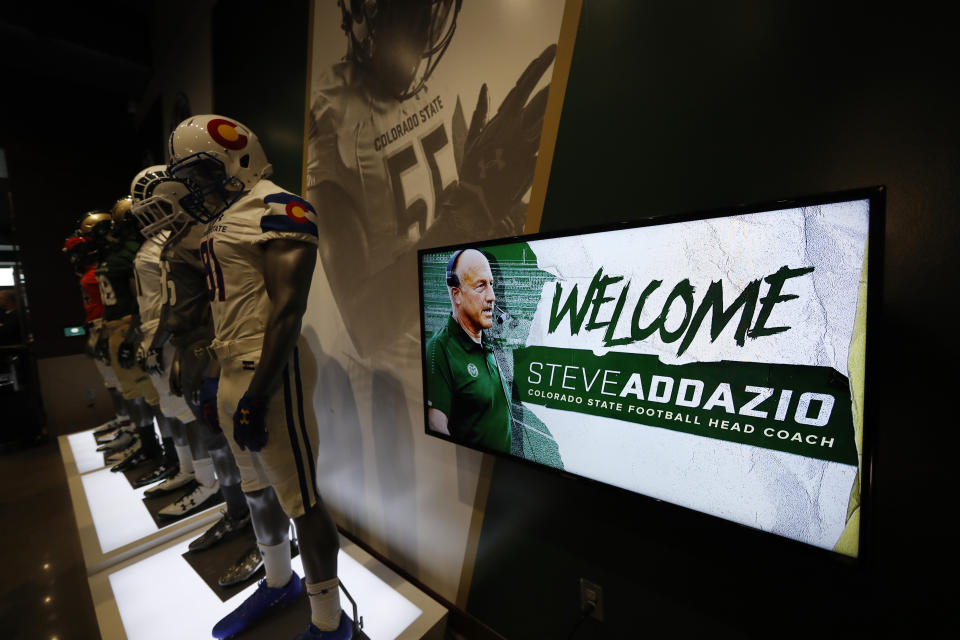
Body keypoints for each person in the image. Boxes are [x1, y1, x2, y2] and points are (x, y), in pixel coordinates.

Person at [168, 114, 353, 640]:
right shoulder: (225, 217)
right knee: (255, 491)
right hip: (232, 369)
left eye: (202, 169)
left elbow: (288, 310)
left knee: (302, 501)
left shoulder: (277, 207)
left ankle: (328, 621)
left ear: (238, 154)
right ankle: (279, 582)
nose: (197, 184)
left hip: (267, 371)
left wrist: (258, 391)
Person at [425, 248, 511, 453]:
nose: (492, 297)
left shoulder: (487, 343)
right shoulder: (439, 349)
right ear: (456, 294)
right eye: (481, 286)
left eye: (491, 284)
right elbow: (435, 425)